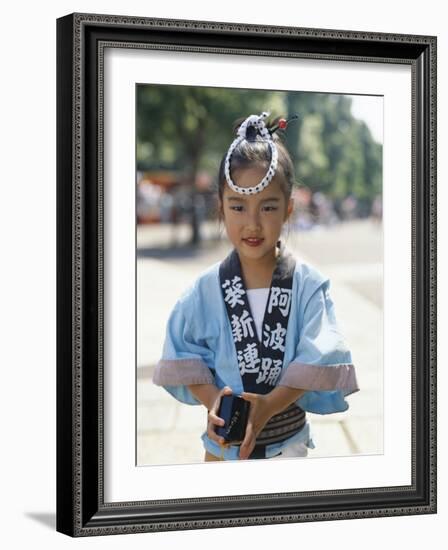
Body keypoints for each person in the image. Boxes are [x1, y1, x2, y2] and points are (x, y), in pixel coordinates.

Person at [153, 111, 359, 461]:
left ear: (288, 209)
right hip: (222, 444)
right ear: (220, 207)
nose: (252, 223)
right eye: (237, 206)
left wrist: (269, 405)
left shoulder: (308, 285)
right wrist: (213, 399)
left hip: (287, 441)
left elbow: (321, 350)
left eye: (267, 207)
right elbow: (184, 353)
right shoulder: (205, 288)